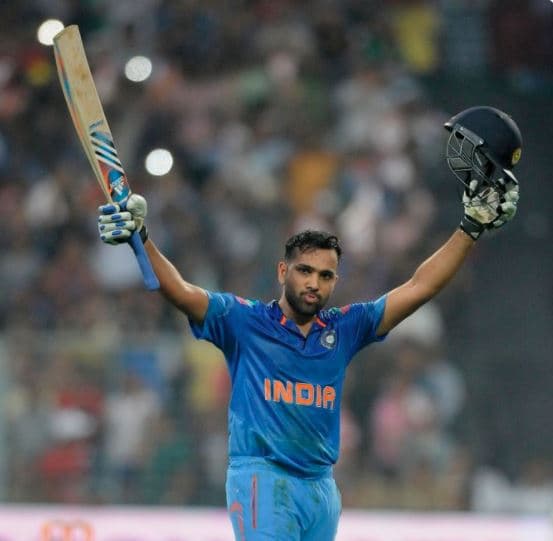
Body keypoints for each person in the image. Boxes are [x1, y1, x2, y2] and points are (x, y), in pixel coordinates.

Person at [97, 106, 521, 540]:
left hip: (320, 487)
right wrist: (142, 239)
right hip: (262, 477)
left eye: (325, 275)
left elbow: (419, 286)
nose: (313, 283)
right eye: (304, 271)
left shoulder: (345, 328)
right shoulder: (243, 320)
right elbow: (181, 291)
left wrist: (469, 228)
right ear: (283, 271)